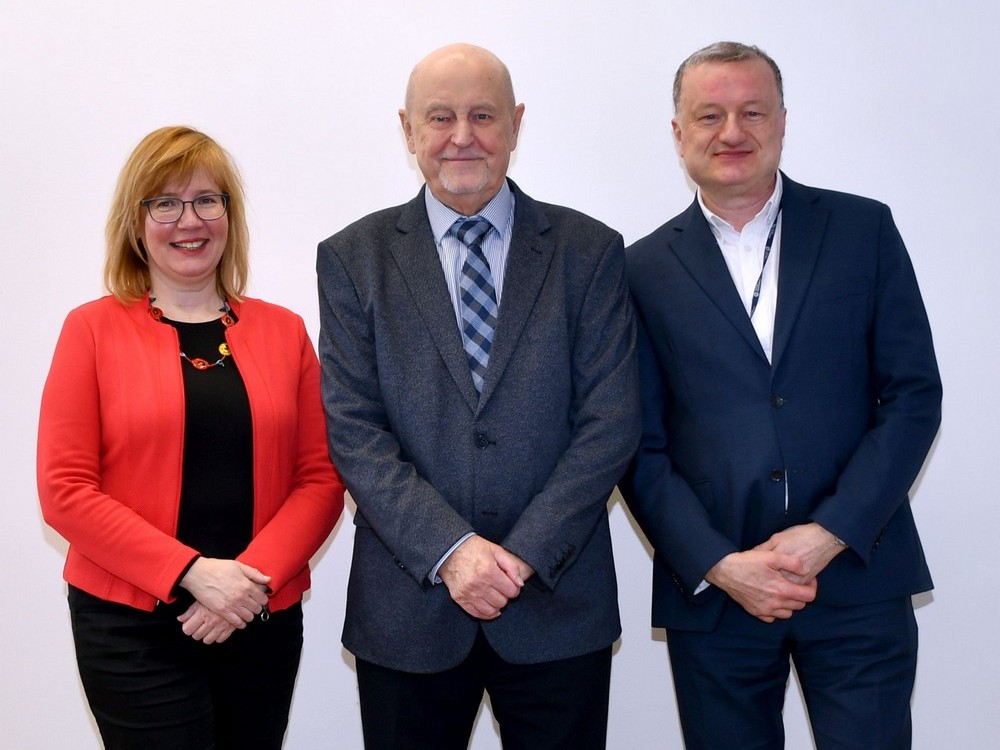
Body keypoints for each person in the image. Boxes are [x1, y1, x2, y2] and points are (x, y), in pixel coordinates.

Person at [316, 43, 640, 750]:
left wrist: (519, 556)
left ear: (516, 124)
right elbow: (354, 430)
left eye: (483, 115)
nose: (462, 136)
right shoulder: (351, 258)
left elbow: (611, 423)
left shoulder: (589, 252)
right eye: (440, 117)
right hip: (410, 608)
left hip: (557, 604)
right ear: (407, 129)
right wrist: (453, 551)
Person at [621, 41, 942, 749]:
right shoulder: (637, 270)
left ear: (784, 121)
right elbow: (635, 443)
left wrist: (828, 535)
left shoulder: (865, 231)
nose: (732, 132)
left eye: (752, 112)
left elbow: (913, 397)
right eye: (710, 115)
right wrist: (720, 564)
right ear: (679, 133)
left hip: (858, 576)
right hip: (717, 596)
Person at [37, 125, 345, 750]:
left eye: (208, 199)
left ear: (229, 215)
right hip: (130, 629)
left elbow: (321, 478)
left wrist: (244, 583)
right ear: (136, 221)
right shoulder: (91, 331)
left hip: (258, 615)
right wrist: (192, 574)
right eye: (164, 203)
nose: (189, 220)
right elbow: (64, 489)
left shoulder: (284, 332)